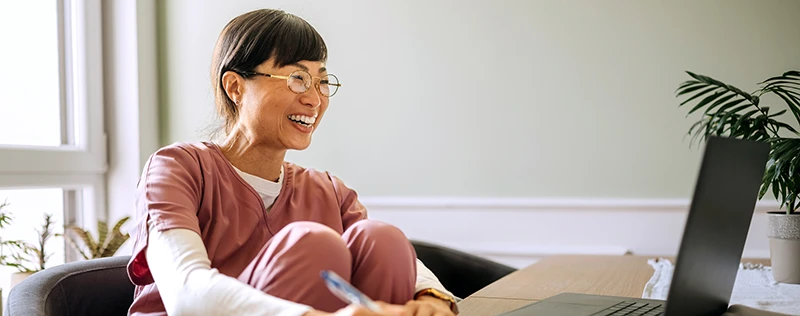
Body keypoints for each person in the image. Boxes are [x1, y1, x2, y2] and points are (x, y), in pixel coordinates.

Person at [125, 8, 459, 316]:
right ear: (235, 87)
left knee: (381, 238)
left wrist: (432, 297)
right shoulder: (176, 169)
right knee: (313, 245)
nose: (314, 99)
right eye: (297, 78)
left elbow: (405, 264)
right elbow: (185, 292)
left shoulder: (329, 191)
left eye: (322, 81)